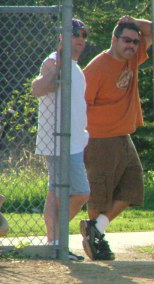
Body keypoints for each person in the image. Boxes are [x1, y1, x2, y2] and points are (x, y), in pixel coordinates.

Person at [80, 16, 152, 261]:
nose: (132, 45)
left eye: (135, 41)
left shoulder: (131, 60)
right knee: (100, 192)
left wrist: (134, 21)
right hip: (99, 138)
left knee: (134, 187)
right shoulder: (97, 68)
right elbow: (81, 105)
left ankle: (96, 228)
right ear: (114, 39)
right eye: (126, 40)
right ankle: (95, 239)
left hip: (123, 136)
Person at [31, 19, 91, 262]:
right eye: (75, 33)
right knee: (80, 193)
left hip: (73, 142)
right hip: (57, 143)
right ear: (62, 37)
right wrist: (56, 70)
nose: (80, 39)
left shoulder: (75, 66)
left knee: (56, 193)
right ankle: (57, 241)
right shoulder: (53, 61)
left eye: (84, 35)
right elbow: (37, 89)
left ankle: (55, 243)